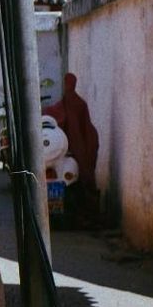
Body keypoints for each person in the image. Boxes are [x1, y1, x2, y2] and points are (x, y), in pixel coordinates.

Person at [43, 72, 100, 227]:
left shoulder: (71, 104)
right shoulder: (77, 103)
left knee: (79, 180)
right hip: (74, 150)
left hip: (72, 150)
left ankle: (83, 214)